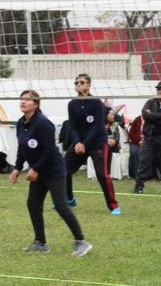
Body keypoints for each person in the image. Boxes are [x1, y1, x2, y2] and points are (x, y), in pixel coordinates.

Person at [10, 90, 92, 257]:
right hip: (38, 172)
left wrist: (36, 169)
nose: (23, 102)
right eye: (22, 99)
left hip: (53, 170)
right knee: (33, 204)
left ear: (36, 103)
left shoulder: (43, 123)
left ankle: (81, 242)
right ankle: (40, 243)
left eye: (27, 99)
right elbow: (22, 147)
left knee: (61, 205)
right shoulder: (21, 123)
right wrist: (17, 167)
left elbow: (49, 151)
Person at [63, 73, 120, 215]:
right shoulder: (72, 104)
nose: (79, 84)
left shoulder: (96, 102)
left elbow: (98, 126)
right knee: (62, 170)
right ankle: (69, 199)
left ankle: (113, 206)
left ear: (89, 85)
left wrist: (85, 144)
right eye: (76, 82)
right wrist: (77, 142)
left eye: (82, 82)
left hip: (97, 143)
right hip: (80, 143)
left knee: (103, 175)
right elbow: (73, 127)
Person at [134, 81, 161, 195]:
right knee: (143, 162)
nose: (160, 92)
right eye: (158, 89)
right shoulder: (150, 102)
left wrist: (153, 117)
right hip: (149, 138)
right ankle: (139, 187)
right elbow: (145, 115)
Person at [104, 107, 122, 171]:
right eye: (111, 114)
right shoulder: (101, 124)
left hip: (114, 145)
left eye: (114, 115)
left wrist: (114, 140)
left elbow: (117, 136)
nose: (113, 116)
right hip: (104, 144)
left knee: (113, 149)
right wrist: (107, 140)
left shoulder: (115, 124)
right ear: (106, 115)